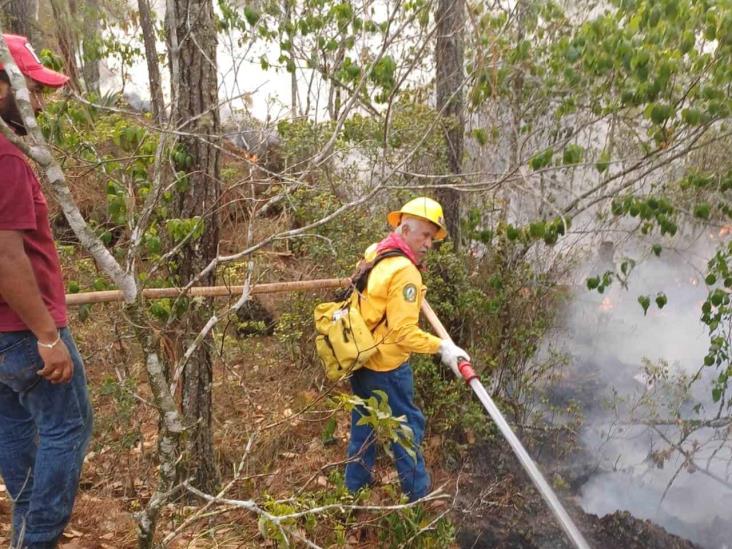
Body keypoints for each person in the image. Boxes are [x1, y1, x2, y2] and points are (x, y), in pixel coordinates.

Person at [0, 34, 93, 548]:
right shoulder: (7, 159)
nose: (36, 103)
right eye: (27, 88)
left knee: (15, 427)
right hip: (21, 329)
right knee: (70, 428)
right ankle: (37, 540)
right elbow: (6, 257)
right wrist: (47, 334)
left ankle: (23, 532)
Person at [345, 196, 469, 502]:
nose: (428, 244)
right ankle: (418, 498)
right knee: (407, 430)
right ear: (404, 228)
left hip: (361, 358)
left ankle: (352, 494)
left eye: (432, 237)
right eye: (424, 235)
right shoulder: (405, 272)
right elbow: (403, 334)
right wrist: (443, 347)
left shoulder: (378, 250)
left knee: (365, 429)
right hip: (387, 368)